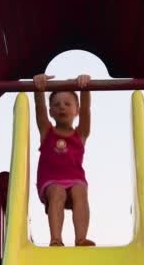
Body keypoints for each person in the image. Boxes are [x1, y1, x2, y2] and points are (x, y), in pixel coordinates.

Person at [33, 73, 96, 247]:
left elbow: (86, 111)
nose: (62, 107)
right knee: (58, 192)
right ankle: (56, 239)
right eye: (56, 105)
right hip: (51, 181)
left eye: (67, 104)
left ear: (76, 110)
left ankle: (81, 238)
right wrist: (39, 89)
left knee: (80, 192)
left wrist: (85, 87)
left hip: (75, 179)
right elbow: (39, 109)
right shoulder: (47, 132)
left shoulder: (81, 133)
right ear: (51, 111)